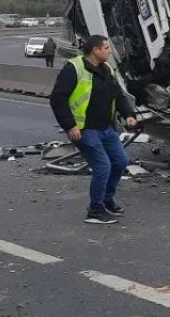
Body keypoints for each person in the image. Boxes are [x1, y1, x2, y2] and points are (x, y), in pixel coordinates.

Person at [49, 35, 138, 225]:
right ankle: (95, 210)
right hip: (85, 130)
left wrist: (128, 114)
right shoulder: (74, 68)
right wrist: (69, 125)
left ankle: (107, 200)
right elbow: (57, 98)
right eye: (105, 48)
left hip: (106, 128)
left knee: (120, 161)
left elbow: (118, 95)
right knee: (102, 166)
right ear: (95, 50)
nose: (109, 51)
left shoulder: (107, 69)